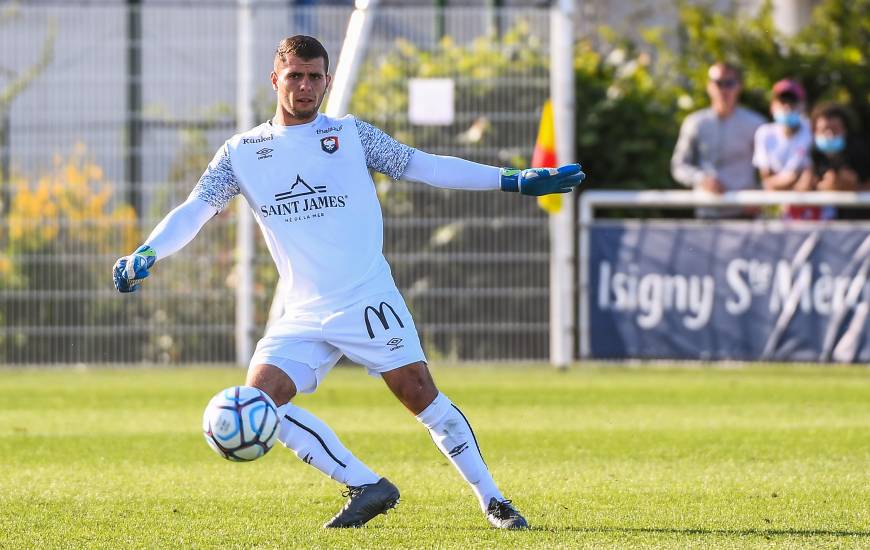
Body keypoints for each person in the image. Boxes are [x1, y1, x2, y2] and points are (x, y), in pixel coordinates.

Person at [112, 35, 584, 530]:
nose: (305, 86)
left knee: (422, 396)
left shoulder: (351, 134)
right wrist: (148, 250)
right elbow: (195, 211)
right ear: (275, 79)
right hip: (301, 311)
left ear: (328, 81)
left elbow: (423, 165)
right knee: (260, 403)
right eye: (294, 75)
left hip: (366, 297)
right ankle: (367, 485)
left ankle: (493, 500)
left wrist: (510, 179)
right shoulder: (242, 152)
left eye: (315, 76)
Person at [671, 62, 766, 218]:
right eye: (718, 83)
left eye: (729, 83)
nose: (723, 89)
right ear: (709, 86)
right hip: (707, 211)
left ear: (739, 86)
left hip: (744, 214)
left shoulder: (756, 124)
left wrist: (759, 195)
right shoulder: (695, 123)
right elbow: (679, 165)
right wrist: (702, 179)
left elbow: (769, 169)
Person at [752, 79, 828, 219]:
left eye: (792, 102)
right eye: (782, 101)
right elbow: (768, 180)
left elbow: (813, 177)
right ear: (772, 106)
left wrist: (795, 179)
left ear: (802, 106)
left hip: (811, 213)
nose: (787, 107)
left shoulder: (813, 129)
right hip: (777, 213)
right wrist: (793, 178)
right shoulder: (764, 133)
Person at [794, 102, 870, 219]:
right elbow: (804, 186)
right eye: (824, 130)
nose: (829, 135)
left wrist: (851, 187)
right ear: (814, 132)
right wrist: (816, 186)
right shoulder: (813, 153)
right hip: (823, 224)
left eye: (835, 130)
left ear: (845, 130)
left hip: (859, 223)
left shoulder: (859, 151)